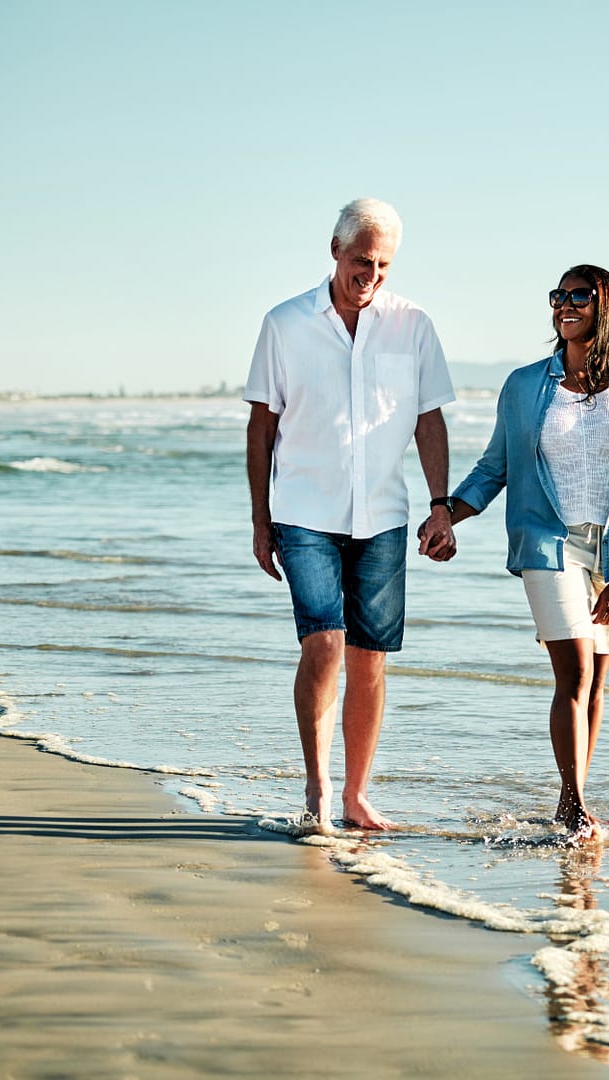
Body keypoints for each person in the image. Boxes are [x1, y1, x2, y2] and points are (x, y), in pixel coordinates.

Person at [428, 264, 609, 841]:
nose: (564, 305)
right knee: (575, 672)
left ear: (605, 306)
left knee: (598, 682)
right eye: (557, 296)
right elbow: (496, 467)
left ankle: (577, 799)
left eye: (578, 296)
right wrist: (447, 511)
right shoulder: (523, 386)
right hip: (546, 543)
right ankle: (572, 803)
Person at [245, 197, 457, 833]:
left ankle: (356, 795)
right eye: (363, 259)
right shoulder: (284, 324)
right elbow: (262, 425)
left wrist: (440, 505)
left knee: (370, 656)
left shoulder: (412, 325)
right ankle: (317, 786)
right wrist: (260, 520)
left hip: (384, 518)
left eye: (384, 264)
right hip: (303, 511)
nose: (373, 274)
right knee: (326, 642)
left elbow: (429, 419)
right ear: (335, 251)